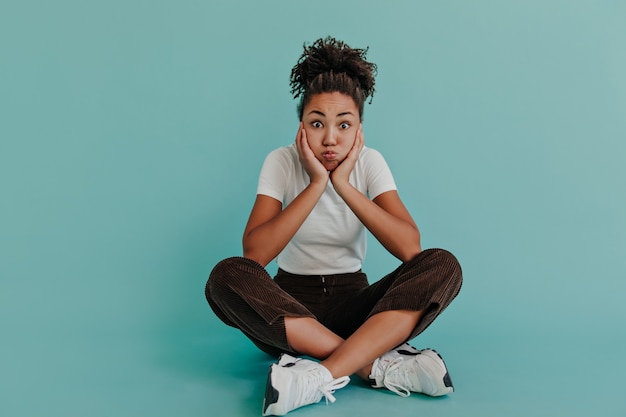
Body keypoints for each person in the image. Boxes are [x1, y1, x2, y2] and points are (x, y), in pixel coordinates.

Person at [205, 36, 463, 416]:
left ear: (359, 128)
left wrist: (342, 184)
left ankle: (316, 375)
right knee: (225, 276)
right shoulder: (281, 161)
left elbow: (411, 248)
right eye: (317, 123)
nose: (329, 139)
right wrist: (315, 184)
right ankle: (373, 364)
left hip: (356, 306)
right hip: (290, 310)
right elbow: (255, 255)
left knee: (443, 264)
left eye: (344, 125)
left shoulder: (370, 162)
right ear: (301, 127)